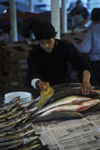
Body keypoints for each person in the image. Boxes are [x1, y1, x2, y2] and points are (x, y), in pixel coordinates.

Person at [26, 21, 93, 95]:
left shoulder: (66, 47)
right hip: (45, 91)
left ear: (54, 36)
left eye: (49, 41)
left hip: (66, 88)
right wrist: (39, 83)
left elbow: (82, 64)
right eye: (42, 43)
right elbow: (31, 75)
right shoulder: (34, 53)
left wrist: (86, 80)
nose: (46, 46)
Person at [73, 8, 100, 86]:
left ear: (91, 19)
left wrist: (72, 44)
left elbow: (84, 49)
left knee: (97, 87)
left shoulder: (91, 32)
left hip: (96, 63)